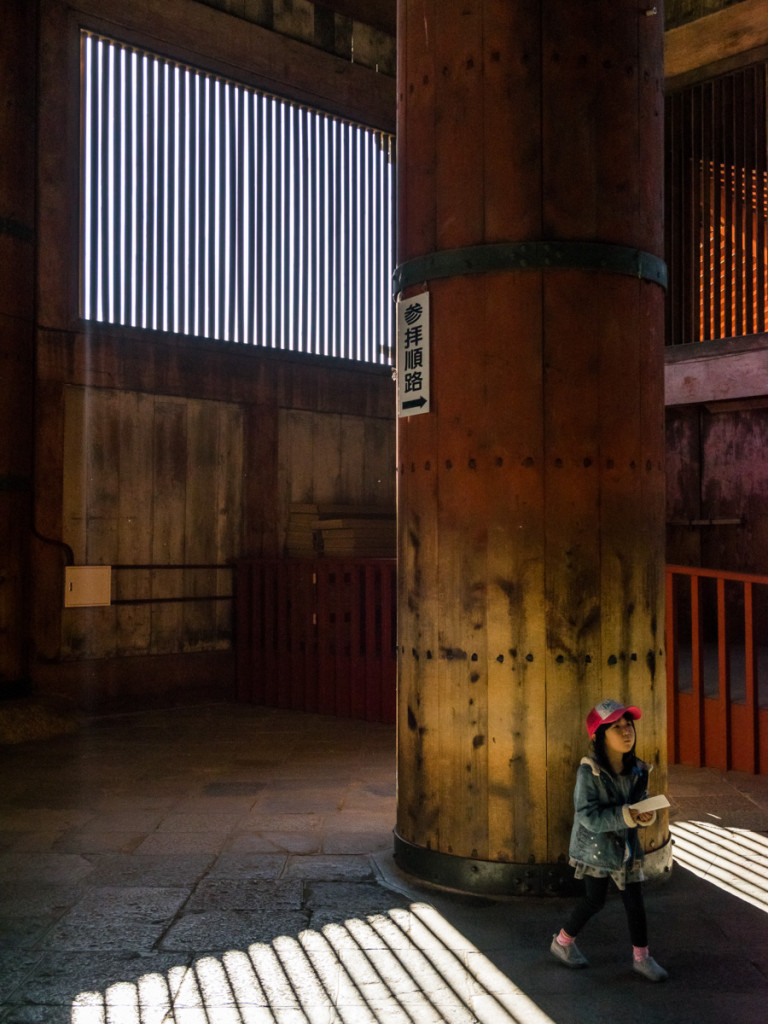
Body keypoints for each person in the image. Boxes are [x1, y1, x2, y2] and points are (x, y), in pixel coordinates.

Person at [549, 697, 668, 982]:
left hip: (627, 848)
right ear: (599, 736)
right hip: (596, 850)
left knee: (634, 900)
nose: (627, 731)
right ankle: (563, 942)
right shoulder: (588, 771)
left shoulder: (638, 770)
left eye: (629, 725)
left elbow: (641, 802)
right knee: (594, 899)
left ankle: (642, 958)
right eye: (617, 727)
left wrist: (645, 815)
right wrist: (627, 816)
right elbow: (587, 815)